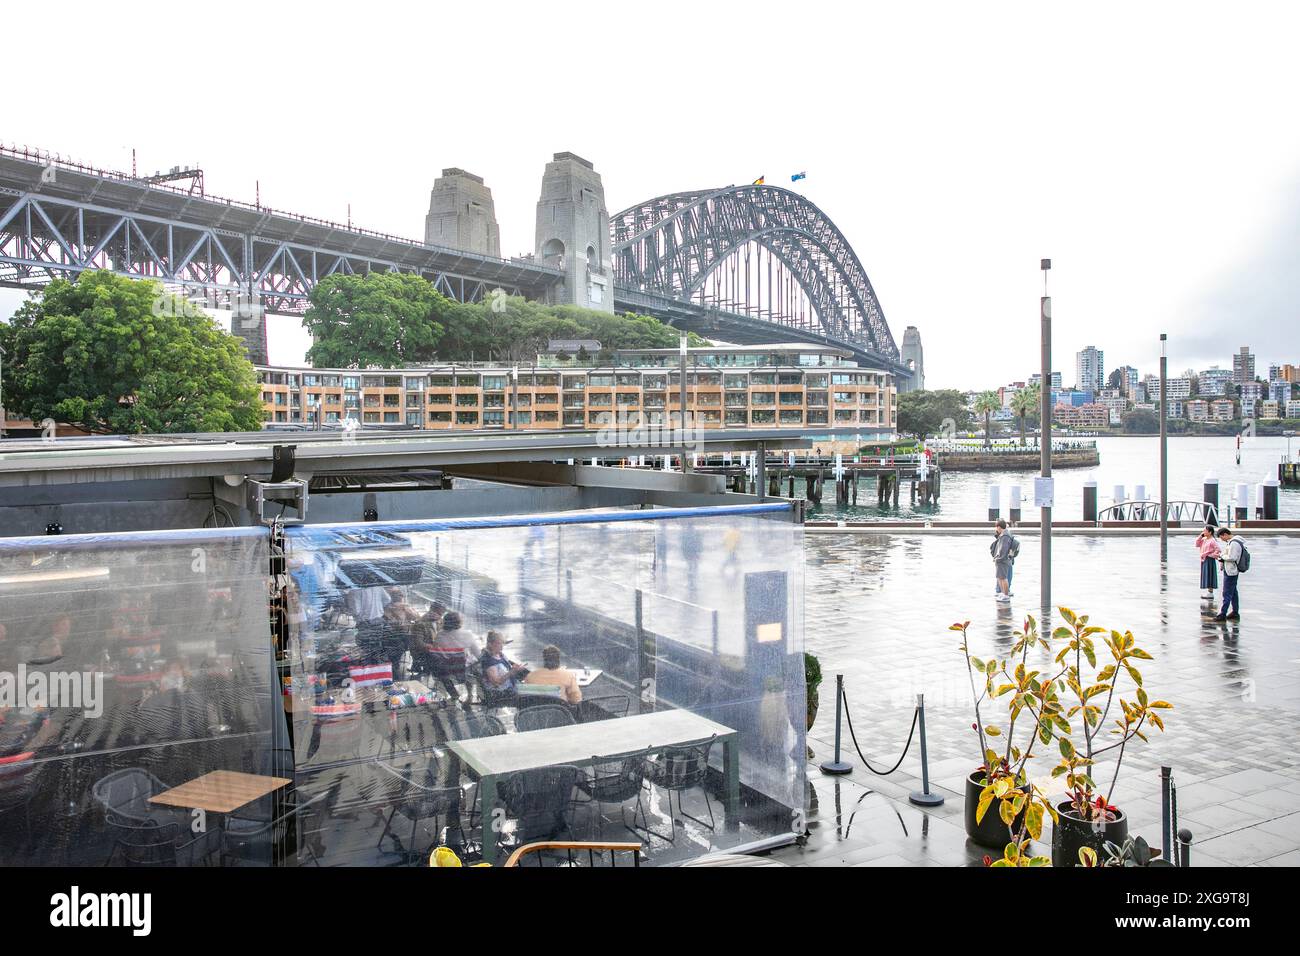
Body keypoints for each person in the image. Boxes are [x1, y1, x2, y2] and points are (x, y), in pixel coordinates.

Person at [479, 631, 528, 702]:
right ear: (490, 644)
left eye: (502, 643)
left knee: (536, 687)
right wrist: (512, 671)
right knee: (536, 692)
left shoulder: (500, 655)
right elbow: (496, 682)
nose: (502, 646)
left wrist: (515, 668)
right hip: (502, 693)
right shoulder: (489, 661)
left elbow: (507, 671)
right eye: (499, 643)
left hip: (512, 687)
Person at [1212, 527, 1243, 621]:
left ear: (1225, 534)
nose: (1222, 540)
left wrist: (1221, 556)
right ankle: (1235, 612)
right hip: (1231, 569)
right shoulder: (1236, 541)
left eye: (1222, 538)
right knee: (1233, 592)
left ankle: (1223, 614)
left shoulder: (1234, 543)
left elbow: (1232, 557)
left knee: (1227, 593)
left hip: (1231, 570)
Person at [990, 520, 1013, 603]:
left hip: (1002, 560)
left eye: (996, 527)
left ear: (999, 527)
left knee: (1003, 578)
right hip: (1003, 560)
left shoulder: (1005, 536)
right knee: (1000, 577)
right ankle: (1003, 593)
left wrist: (998, 559)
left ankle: (1006, 595)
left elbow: (1003, 549)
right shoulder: (1005, 535)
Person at [1195, 524, 1220, 600]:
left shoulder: (1212, 541)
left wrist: (1211, 555)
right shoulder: (1204, 539)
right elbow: (1197, 543)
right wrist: (1201, 536)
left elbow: (1218, 550)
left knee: (1210, 575)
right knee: (1206, 575)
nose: (1204, 532)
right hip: (1204, 559)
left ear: (1210, 532)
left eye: (1205, 530)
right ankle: (1209, 592)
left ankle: (1210, 592)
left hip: (1209, 559)